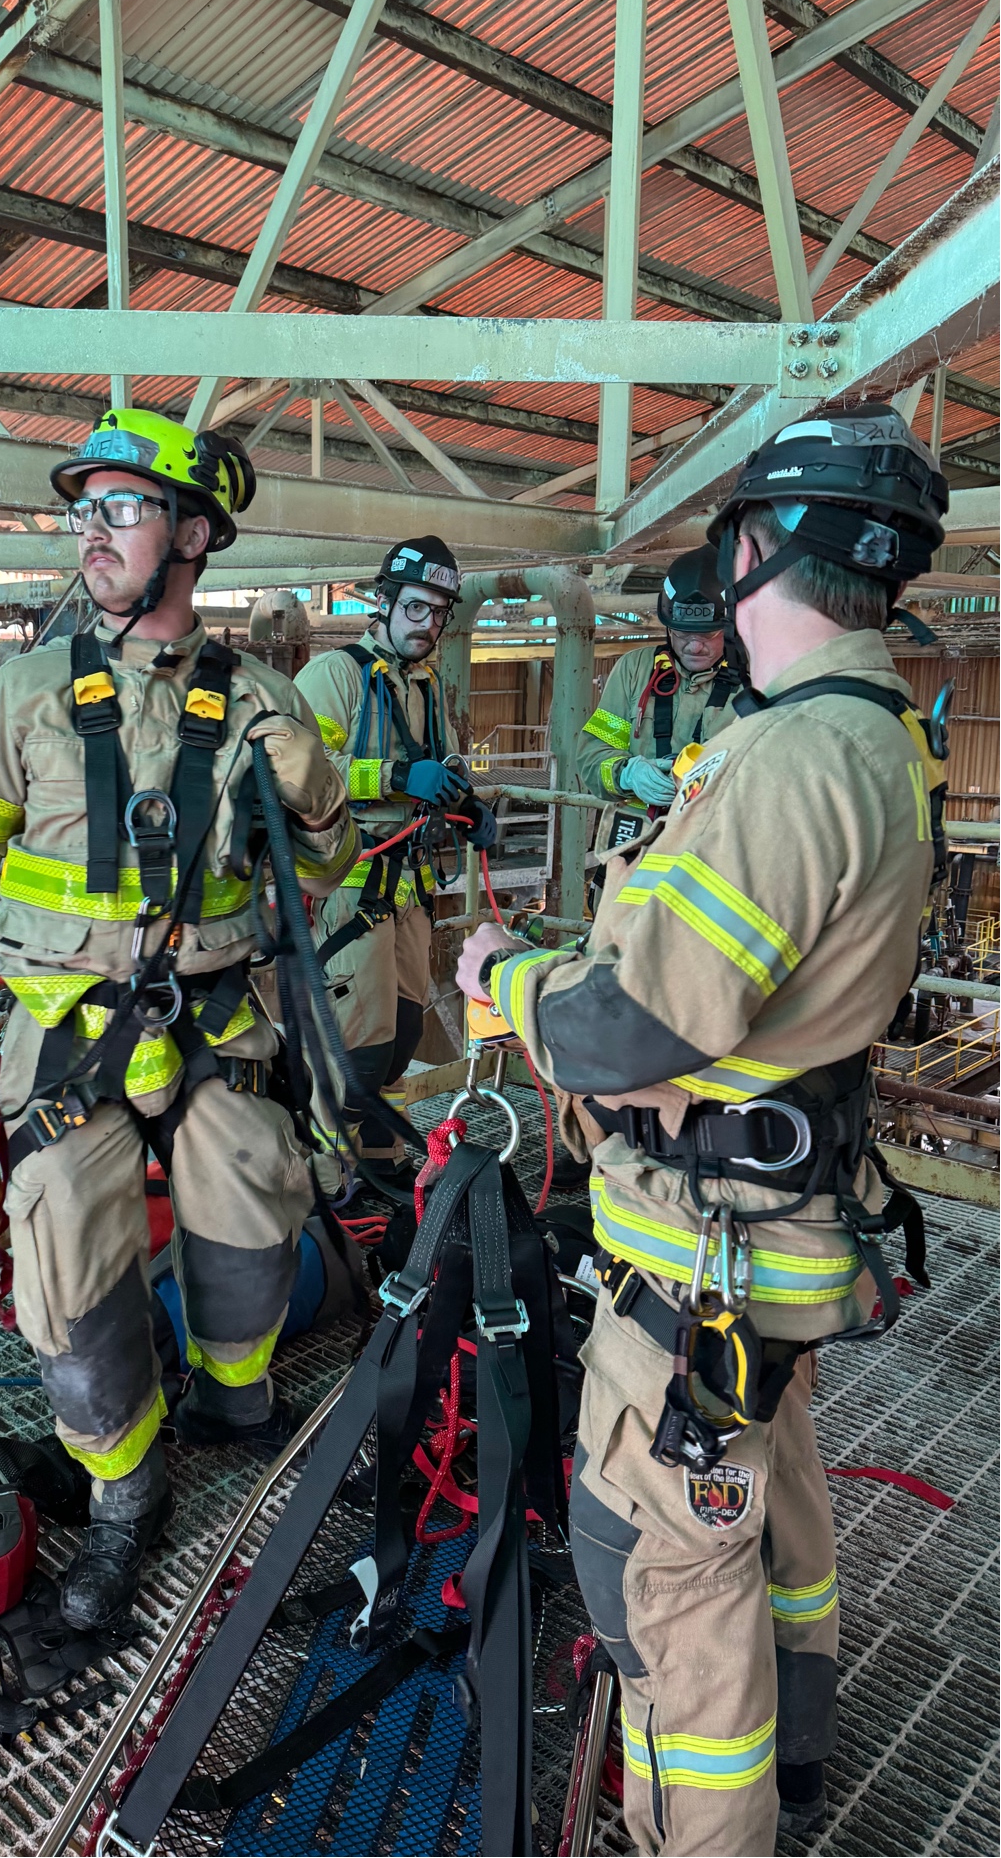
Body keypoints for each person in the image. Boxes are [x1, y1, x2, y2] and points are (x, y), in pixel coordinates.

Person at [457, 403, 948, 1855]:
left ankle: (717, 1824)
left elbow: (630, 1033)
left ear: (751, 550)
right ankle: (800, 1771)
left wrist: (512, 983)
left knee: (668, 1591)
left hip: (698, 1266)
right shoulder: (876, 739)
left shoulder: (785, 762)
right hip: (775, 1255)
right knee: (776, 1523)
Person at [0, 409, 357, 1629]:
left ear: (193, 534)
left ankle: (233, 1405)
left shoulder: (261, 703)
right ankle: (125, 1490)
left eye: (122, 508)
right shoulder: (28, 693)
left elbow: (322, 872)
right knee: (69, 1271)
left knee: (251, 1216)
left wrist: (316, 790)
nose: (93, 530)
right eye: (85, 508)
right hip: (65, 1030)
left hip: (217, 1016)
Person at [292, 537, 495, 1184]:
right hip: (347, 893)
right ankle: (325, 1187)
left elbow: (438, 770)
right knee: (355, 1050)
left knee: (401, 1037)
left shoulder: (423, 686)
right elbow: (295, 775)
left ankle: (379, 1173)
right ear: (382, 603)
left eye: (438, 613)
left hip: (406, 891)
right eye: (415, 609)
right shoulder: (334, 677)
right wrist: (395, 774)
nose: (428, 625)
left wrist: (469, 808)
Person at [578, 545, 745, 853]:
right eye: (682, 634)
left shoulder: (756, 680)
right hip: (635, 845)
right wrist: (626, 774)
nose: (694, 647)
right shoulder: (634, 670)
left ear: (731, 628)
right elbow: (591, 756)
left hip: (715, 845)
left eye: (708, 635)